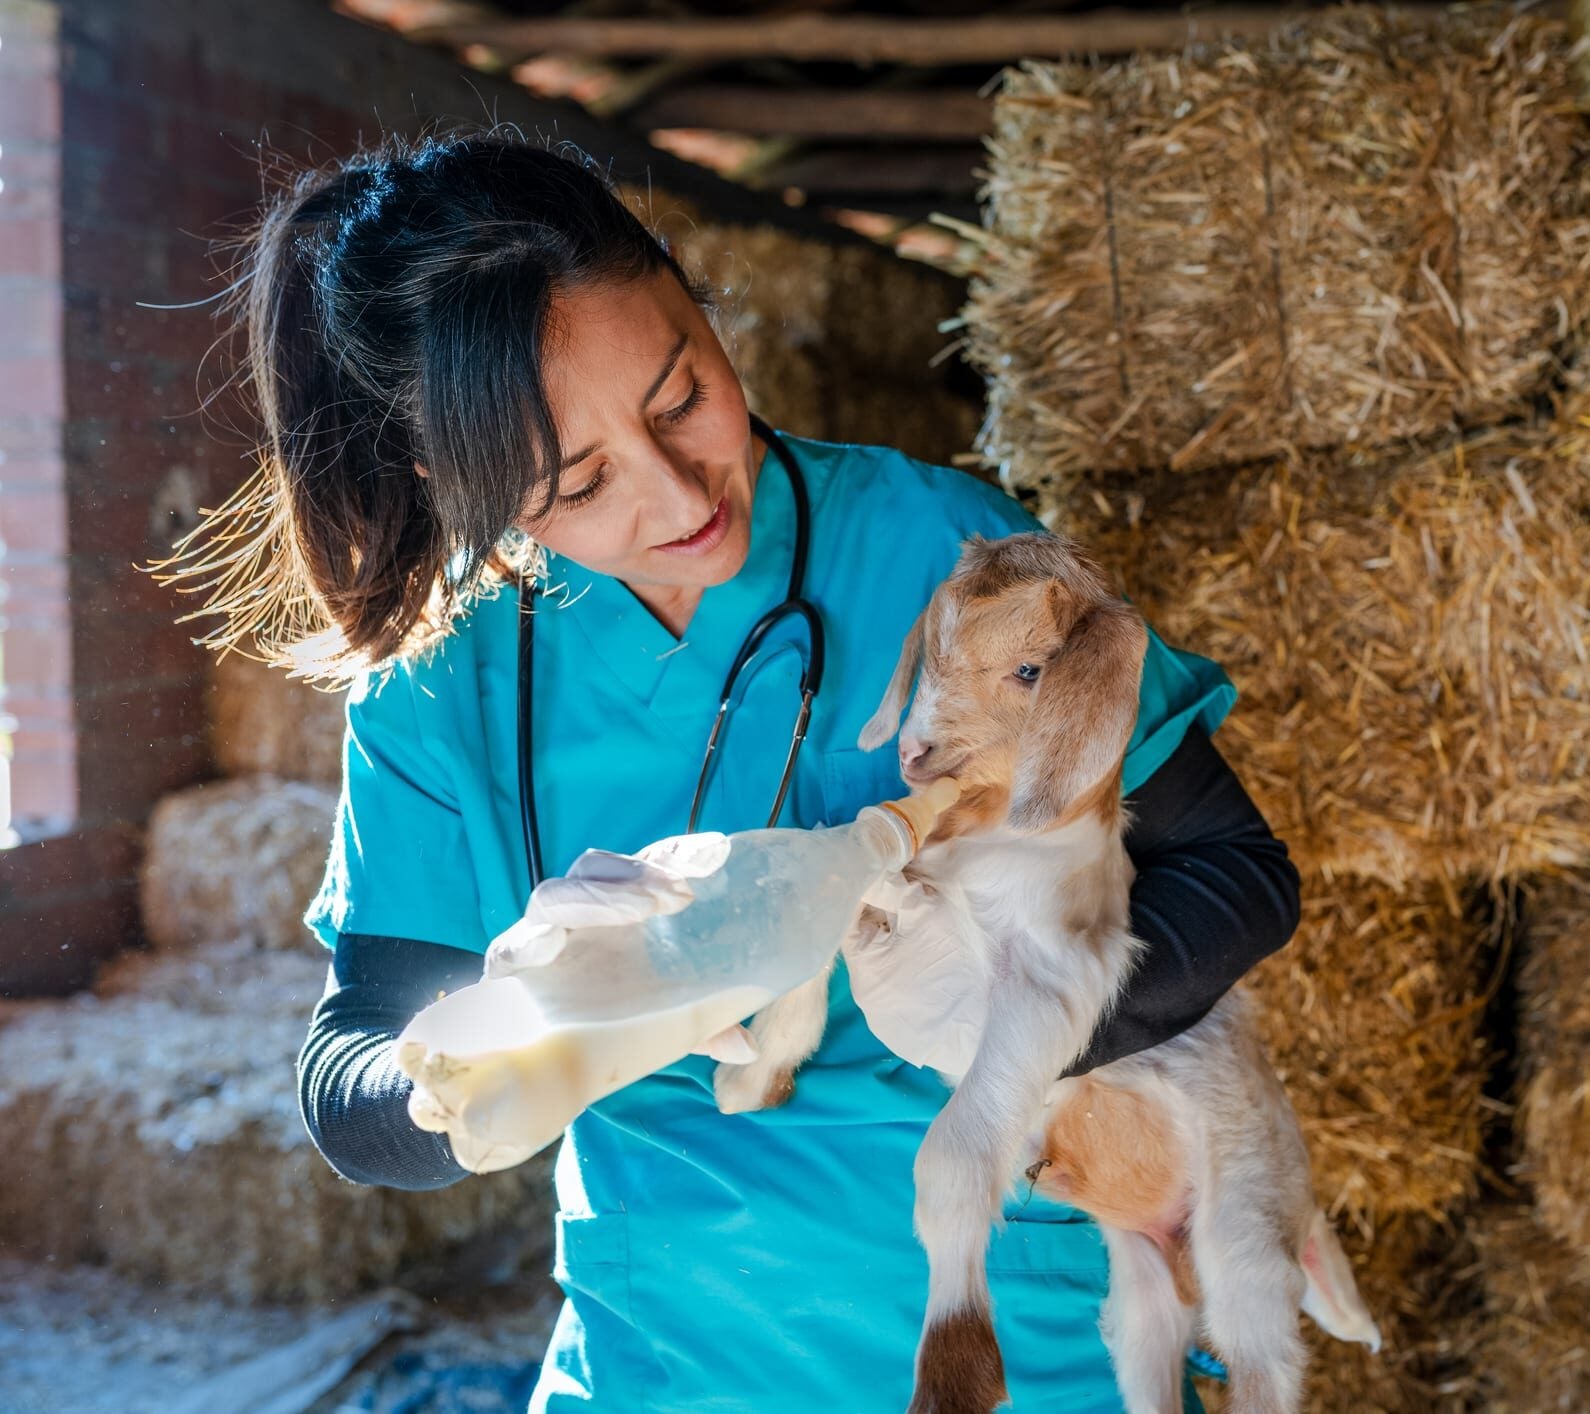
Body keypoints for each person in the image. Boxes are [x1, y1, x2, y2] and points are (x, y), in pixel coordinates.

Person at [169, 130, 1300, 1412]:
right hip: (660, 1362)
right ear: (462, 485)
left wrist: (991, 1025)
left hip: (1012, 1342)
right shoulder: (443, 683)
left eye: (681, 396)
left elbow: (1242, 873)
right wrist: (469, 1071)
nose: (676, 494)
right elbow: (349, 1065)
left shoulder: (951, 554)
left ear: (688, 286)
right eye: (581, 481)